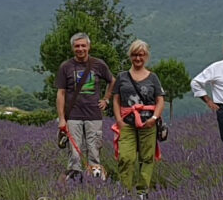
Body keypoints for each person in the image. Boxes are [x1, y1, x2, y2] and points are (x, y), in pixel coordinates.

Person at [54, 33, 114, 182]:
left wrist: (106, 99)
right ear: (72, 48)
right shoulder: (65, 67)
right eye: (77, 46)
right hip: (73, 116)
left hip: (94, 115)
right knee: (74, 153)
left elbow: (112, 81)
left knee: (94, 152)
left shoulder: (98, 64)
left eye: (83, 45)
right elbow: (60, 94)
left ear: (88, 46)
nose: (80, 49)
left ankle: (94, 182)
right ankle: (75, 182)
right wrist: (61, 119)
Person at [111, 39, 165, 191]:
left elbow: (160, 100)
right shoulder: (122, 77)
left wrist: (154, 118)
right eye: (135, 55)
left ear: (146, 56)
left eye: (141, 55)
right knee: (125, 157)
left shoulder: (153, 77)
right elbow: (116, 100)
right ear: (130, 56)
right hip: (127, 123)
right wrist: (119, 120)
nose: (138, 58)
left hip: (148, 123)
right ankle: (124, 190)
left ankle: (142, 190)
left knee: (147, 158)